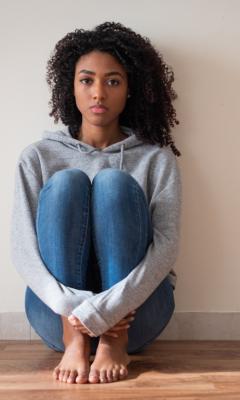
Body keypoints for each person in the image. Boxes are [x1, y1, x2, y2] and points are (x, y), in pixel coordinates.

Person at [9, 21, 182, 385]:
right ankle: (75, 342)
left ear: (130, 89)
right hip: (58, 315)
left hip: (136, 316)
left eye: (113, 81)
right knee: (67, 182)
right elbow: (22, 247)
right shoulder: (38, 157)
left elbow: (167, 248)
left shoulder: (155, 159)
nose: (98, 93)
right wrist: (72, 308)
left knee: (113, 184)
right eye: (87, 80)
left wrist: (111, 310)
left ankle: (113, 343)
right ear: (70, 87)